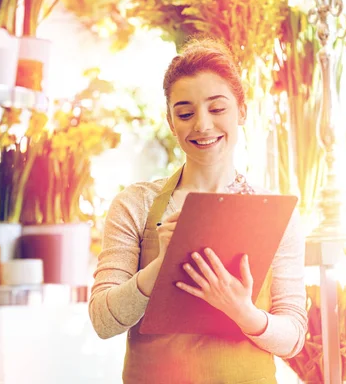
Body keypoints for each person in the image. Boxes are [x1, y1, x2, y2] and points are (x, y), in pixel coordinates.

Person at [89, 37, 306, 384]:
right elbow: (103, 321)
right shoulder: (135, 204)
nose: (202, 125)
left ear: (242, 111)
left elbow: (294, 335)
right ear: (171, 121)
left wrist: (244, 313)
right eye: (186, 113)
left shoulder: (276, 213)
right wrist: (159, 267)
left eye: (217, 109)